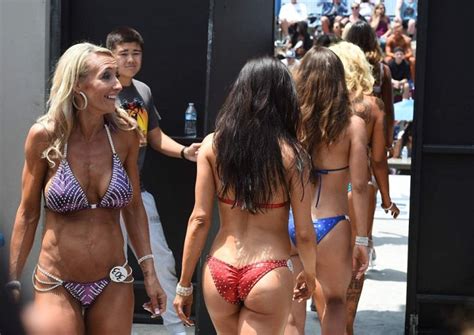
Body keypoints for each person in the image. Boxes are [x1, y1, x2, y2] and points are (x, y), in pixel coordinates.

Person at [7, 42, 166, 334]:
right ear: (78, 83)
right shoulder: (45, 136)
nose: (118, 85)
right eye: (107, 76)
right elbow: (28, 213)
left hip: (113, 279)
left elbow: (132, 207)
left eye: (117, 76)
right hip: (56, 281)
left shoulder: (125, 134)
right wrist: (12, 281)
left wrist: (150, 273)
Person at [173, 57, 317, 334]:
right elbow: (304, 232)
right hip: (269, 269)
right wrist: (310, 273)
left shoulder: (212, 146)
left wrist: (184, 284)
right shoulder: (293, 155)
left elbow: (199, 219)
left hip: (219, 269)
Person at [106, 27, 200, 335]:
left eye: (136, 53)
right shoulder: (102, 91)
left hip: (138, 192)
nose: (131, 59)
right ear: (111, 55)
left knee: (161, 260)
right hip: (102, 196)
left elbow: (155, 137)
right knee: (108, 265)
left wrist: (186, 152)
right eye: (124, 53)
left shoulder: (143, 92)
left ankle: (177, 329)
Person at [285, 46, 370, 335]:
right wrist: (362, 239)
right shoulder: (354, 126)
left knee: (292, 316)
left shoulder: (290, 122)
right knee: (334, 303)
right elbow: (359, 186)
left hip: (292, 222)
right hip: (332, 224)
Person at [328, 41, 400, 335]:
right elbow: (379, 158)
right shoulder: (373, 105)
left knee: (326, 256)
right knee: (358, 257)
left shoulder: (322, 104)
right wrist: (386, 197)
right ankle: (346, 324)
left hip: (326, 186)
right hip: (362, 185)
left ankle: (327, 318)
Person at [345, 20, 395, 155]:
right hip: (373, 134)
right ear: (372, 40)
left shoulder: (341, 68)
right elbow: (389, 109)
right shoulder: (383, 70)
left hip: (346, 130)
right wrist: (389, 141)